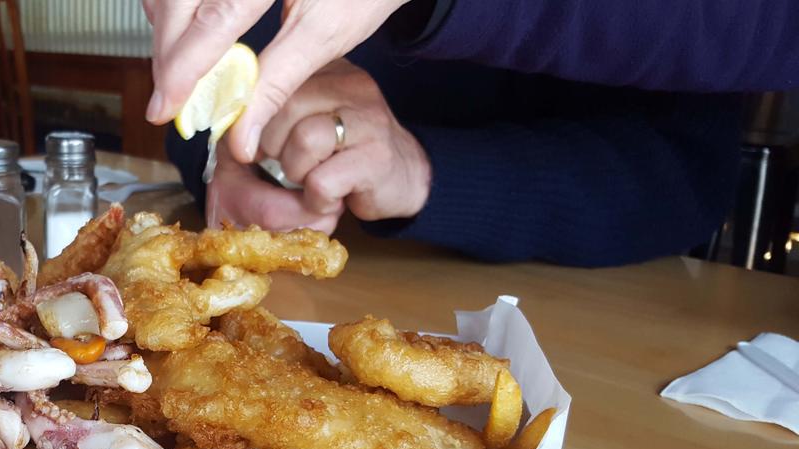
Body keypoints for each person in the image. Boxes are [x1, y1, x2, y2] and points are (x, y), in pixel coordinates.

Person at [165, 3, 742, 267]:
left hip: (610, 311)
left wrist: (425, 173)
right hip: (331, 286)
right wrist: (230, 156)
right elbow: (204, 79)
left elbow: (684, 173)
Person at [146, 0, 798, 164]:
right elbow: (202, 98)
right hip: (354, 265)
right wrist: (244, 157)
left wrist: (432, 172)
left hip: (633, 232)